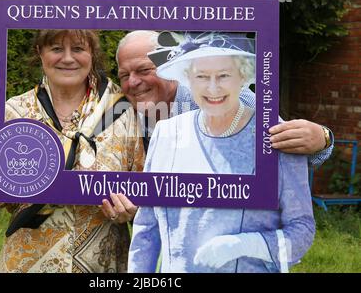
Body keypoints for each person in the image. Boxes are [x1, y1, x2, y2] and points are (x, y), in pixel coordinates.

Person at [101, 29, 334, 224]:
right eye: (124, 75)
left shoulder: (221, 96)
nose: (132, 82)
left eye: (143, 70)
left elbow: (291, 146)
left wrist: (322, 139)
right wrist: (132, 210)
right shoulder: (124, 119)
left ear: (170, 67)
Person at [128, 32, 315, 273]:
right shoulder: (166, 133)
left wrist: (244, 245)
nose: (213, 87)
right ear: (187, 79)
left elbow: (302, 231)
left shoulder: (274, 137)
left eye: (224, 75)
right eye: (202, 76)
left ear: (244, 76)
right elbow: (147, 229)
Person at [0, 29, 145, 273]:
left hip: (101, 265)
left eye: (79, 49)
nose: (68, 58)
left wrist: (133, 211)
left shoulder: (124, 110)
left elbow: (146, 189)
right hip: (29, 262)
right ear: (39, 52)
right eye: (56, 49)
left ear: (92, 53)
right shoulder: (14, 111)